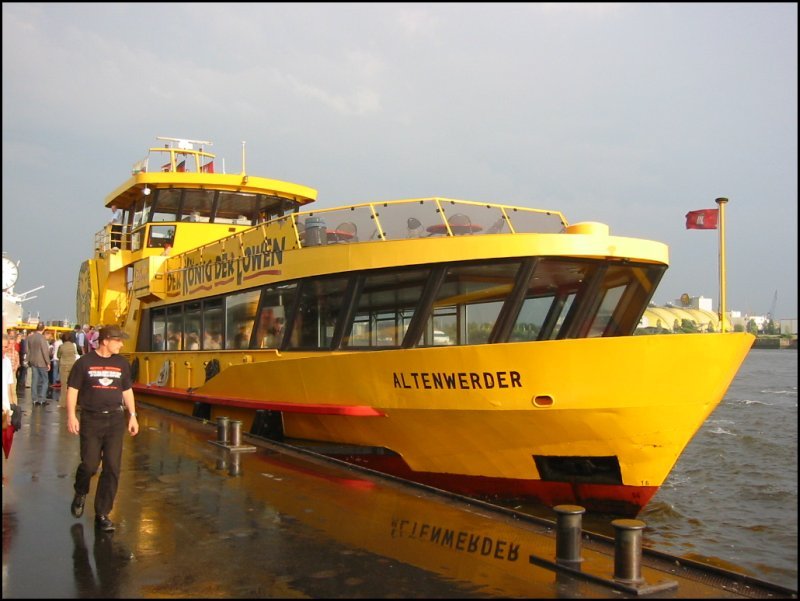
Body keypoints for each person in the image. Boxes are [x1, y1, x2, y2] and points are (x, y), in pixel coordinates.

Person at [67, 325, 139, 532]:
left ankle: (102, 513)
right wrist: (71, 416)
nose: (122, 344)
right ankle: (80, 491)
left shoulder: (122, 363)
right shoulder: (84, 363)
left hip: (115, 420)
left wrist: (132, 416)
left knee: (112, 468)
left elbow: (127, 391)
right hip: (91, 419)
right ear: (106, 340)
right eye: (118, 340)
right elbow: (73, 390)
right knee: (89, 465)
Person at [26, 323, 51, 406]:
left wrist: (28, 360)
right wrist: (48, 362)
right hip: (42, 362)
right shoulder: (42, 338)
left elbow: (28, 350)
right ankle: (42, 399)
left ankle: (34, 399)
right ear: (43, 329)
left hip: (33, 361)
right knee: (45, 380)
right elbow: (45, 351)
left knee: (34, 380)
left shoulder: (30, 338)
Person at [58, 332, 80, 406]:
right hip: (73, 365)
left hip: (64, 366)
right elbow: (76, 353)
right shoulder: (73, 346)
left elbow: (58, 355)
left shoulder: (61, 346)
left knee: (64, 385)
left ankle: (63, 403)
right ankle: (74, 402)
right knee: (72, 385)